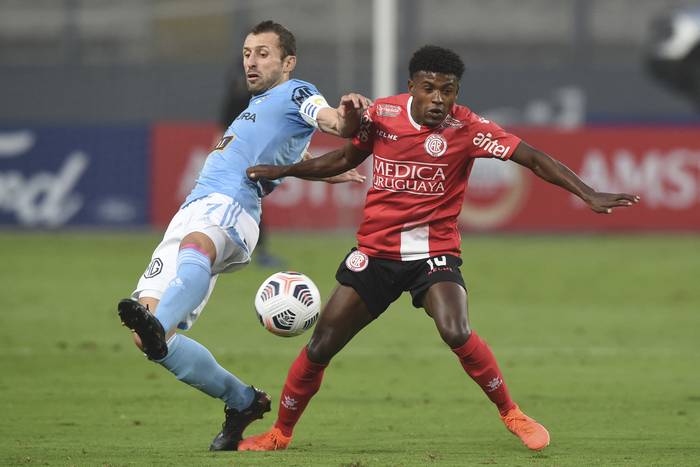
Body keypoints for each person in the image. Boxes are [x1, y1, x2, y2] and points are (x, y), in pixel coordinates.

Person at [239, 45, 641, 452]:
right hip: (376, 254)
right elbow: (343, 158)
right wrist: (285, 170)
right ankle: (280, 433)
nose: (438, 99)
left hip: (434, 255)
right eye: (429, 88)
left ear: (456, 92)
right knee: (322, 344)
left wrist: (587, 194)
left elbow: (533, 159)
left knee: (455, 328)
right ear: (412, 86)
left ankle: (511, 412)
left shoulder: (468, 128)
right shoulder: (381, 116)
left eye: (447, 91)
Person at [116, 20, 369, 452]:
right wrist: (322, 168)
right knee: (147, 341)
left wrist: (347, 115)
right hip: (194, 208)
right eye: (248, 53)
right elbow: (287, 144)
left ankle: (160, 325)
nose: (251, 61)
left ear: (288, 62)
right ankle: (242, 401)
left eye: (263, 53)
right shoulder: (259, 104)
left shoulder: (297, 91)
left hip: (231, 203)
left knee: (195, 256)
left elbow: (330, 120)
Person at [219, 63, 285, 268]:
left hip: (244, 149)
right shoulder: (250, 87)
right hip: (242, 152)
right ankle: (242, 251)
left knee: (246, 202)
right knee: (243, 202)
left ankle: (241, 251)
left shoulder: (250, 86)